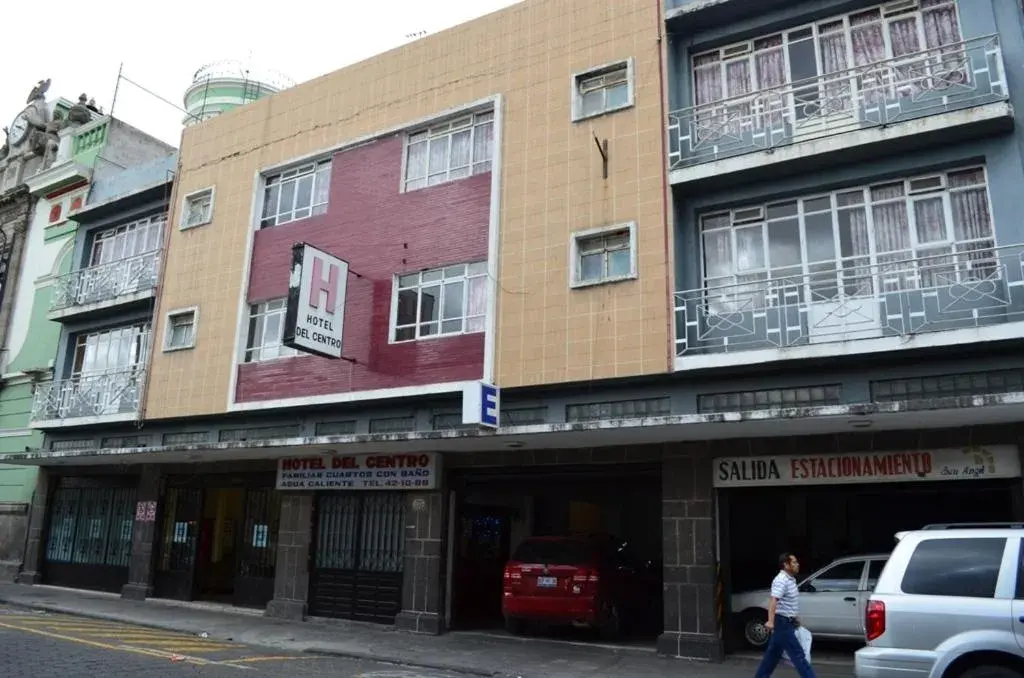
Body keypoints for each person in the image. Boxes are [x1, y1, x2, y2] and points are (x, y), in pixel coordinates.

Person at [755, 552, 816, 678]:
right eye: (794, 562)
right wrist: (770, 621)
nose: (797, 564)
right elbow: (773, 600)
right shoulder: (781, 580)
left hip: (786, 622)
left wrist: (795, 618)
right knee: (799, 656)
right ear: (785, 565)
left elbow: (788, 603)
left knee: (772, 656)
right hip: (782, 623)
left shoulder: (790, 579)